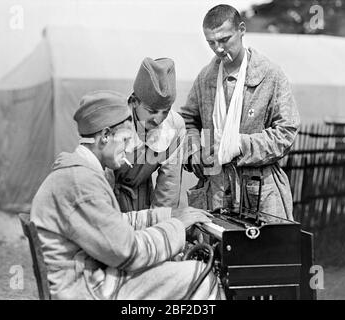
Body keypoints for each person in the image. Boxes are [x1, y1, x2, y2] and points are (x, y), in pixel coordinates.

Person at [30, 90, 221, 300]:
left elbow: (116, 222)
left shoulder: (78, 172)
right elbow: (129, 252)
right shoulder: (82, 185)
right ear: (104, 137)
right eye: (125, 139)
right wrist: (176, 229)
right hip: (84, 289)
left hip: (84, 276)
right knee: (201, 275)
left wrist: (170, 216)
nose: (129, 148)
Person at [180, 4, 300, 221]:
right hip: (215, 192)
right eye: (211, 43)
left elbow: (286, 133)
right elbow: (188, 121)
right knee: (215, 253)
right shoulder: (205, 78)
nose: (218, 49)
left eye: (224, 40)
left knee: (264, 254)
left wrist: (240, 144)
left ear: (242, 29)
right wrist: (194, 148)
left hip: (259, 193)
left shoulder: (270, 75)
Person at [113, 57, 186, 211]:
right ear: (134, 101)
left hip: (142, 199)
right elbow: (97, 181)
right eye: (151, 111)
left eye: (165, 111)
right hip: (107, 196)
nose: (158, 119)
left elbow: (168, 188)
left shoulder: (174, 126)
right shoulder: (113, 121)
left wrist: (161, 227)